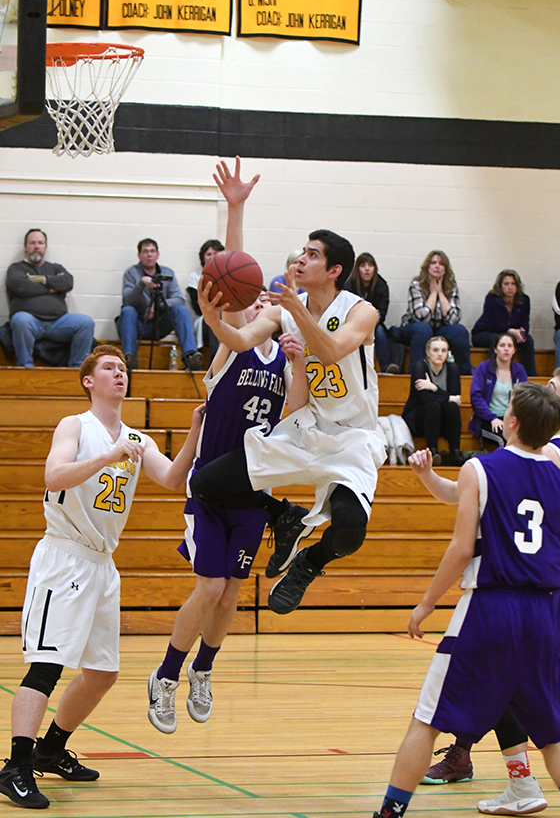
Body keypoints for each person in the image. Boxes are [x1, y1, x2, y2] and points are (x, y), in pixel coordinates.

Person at [373, 382, 560, 818]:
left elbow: (460, 549)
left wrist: (426, 603)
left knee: (427, 720)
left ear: (511, 421)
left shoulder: (480, 468)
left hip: (490, 606)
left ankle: (389, 813)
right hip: (545, 615)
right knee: (552, 734)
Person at [0, 345, 203, 809]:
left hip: (102, 564)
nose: (120, 373)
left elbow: (173, 478)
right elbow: (54, 476)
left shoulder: (139, 438)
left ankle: (51, 749)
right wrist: (108, 456)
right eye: (109, 368)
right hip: (64, 557)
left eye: (124, 369)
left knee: (102, 673)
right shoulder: (76, 425)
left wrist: (195, 428)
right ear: (89, 381)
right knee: (48, 666)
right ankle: (14, 767)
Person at [146, 175, 308, 734]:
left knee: (233, 589)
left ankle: (204, 669)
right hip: (210, 486)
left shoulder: (286, 357)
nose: (261, 298)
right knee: (209, 586)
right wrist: (235, 208)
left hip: (253, 489)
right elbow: (232, 270)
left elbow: (294, 412)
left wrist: (302, 362)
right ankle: (167, 674)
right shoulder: (232, 342)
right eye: (256, 294)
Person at [190, 156, 386, 616]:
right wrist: (213, 314)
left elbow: (334, 349)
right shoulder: (285, 307)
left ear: (335, 270)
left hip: (353, 436)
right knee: (207, 483)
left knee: (350, 532)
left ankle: (309, 562)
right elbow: (239, 339)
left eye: (313, 254)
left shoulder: (362, 310)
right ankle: (284, 516)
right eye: (302, 251)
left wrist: (295, 312)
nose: (302, 258)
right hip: (304, 426)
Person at [6, 228, 95, 368]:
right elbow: (21, 286)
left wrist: (39, 279)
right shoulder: (16, 269)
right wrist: (51, 287)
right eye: (32, 243)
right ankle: (25, 368)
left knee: (86, 322)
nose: (36, 247)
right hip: (30, 322)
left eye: (40, 243)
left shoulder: (55, 268)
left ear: (45, 247)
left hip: (58, 323)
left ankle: (77, 370)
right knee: (20, 320)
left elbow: (67, 282)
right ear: (25, 247)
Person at [117, 238, 203, 371]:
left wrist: (158, 305)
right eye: (145, 252)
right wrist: (142, 283)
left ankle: (190, 356)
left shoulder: (167, 273)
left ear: (158, 254)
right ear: (139, 255)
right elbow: (127, 300)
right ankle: (129, 358)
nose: (149, 255)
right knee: (127, 311)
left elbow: (179, 299)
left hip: (160, 323)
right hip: (138, 323)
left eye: (152, 251)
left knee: (181, 310)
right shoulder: (131, 273)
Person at [390, 250, 472, 375]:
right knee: (423, 328)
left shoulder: (451, 287)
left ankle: (464, 374)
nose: (437, 266)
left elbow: (454, 319)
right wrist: (433, 293)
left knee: (459, 331)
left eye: (441, 264)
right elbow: (421, 317)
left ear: (446, 269)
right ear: (427, 267)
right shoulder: (416, 285)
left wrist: (440, 293)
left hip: (439, 328)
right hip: (414, 328)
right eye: (433, 263)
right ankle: (416, 374)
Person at [401, 336, 463, 466]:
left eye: (443, 350)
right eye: (435, 350)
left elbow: (456, 398)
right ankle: (432, 451)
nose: (440, 354)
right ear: (428, 352)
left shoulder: (453, 369)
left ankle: (455, 452)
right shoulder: (420, 367)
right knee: (433, 405)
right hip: (419, 419)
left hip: (441, 420)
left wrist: (433, 388)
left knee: (452, 407)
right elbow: (425, 398)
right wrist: (447, 397)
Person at [472, 268, 536, 376]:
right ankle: (493, 374)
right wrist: (510, 332)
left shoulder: (524, 300)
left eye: (513, 284)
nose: (510, 287)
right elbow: (492, 323)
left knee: (528, 340)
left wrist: (522, 334)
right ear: (500, 286)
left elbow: (525, 321)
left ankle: (530, 376)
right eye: (506, 284)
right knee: (498, 340)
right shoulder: (492, 299)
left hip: (512, 334)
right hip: (485, 332)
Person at [469, 333, 527, 448]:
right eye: (502, 345)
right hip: (488, 419)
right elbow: (476, 397)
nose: (506, 349)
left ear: (514, 350)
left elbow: (525, 397)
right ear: (495, 349)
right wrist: (492, 418)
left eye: (510, 346)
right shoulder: (484, 368)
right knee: (506, 440)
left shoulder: (519, 370)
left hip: (512, 419)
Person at [344, 252, 396, 373]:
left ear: (374, 268)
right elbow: (346, 309)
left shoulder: (382, 285)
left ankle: (386, 367)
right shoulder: (349, 284)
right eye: (363, 266)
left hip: (375, 323)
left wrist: (370, 320)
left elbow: (382, 313)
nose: (367, 269)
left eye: (370, 265)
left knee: (380, 332)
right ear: (358, 269)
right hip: (353, 323)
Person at [187, 238, 224, 361]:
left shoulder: (229, 276)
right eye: (209, 254)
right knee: (216, 316)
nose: (212, 257)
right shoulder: (196, 277)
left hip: (227, 316)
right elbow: (198, 308)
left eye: (216, 253)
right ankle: (216, 360)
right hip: (205, 319)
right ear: (203, 258)